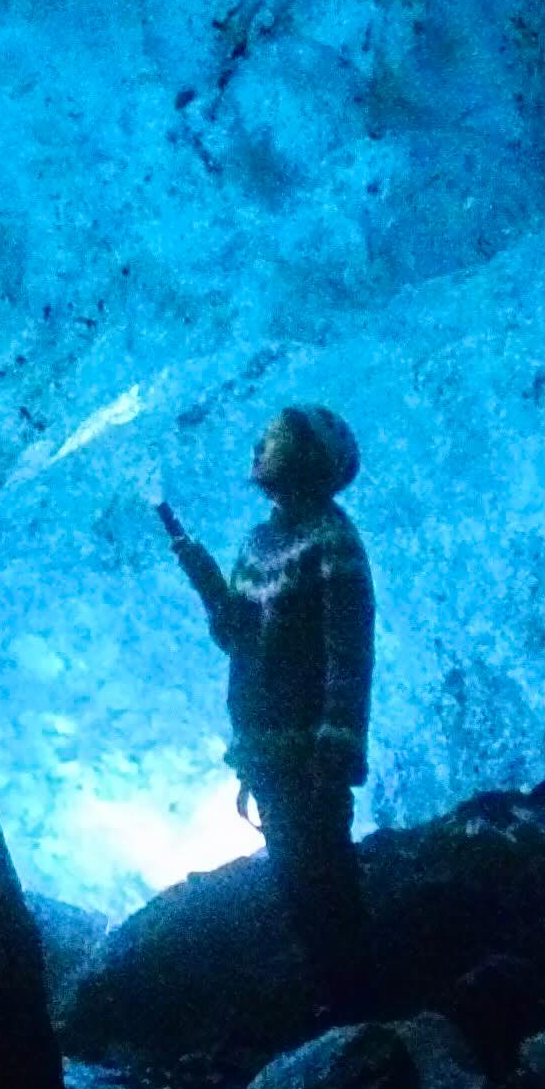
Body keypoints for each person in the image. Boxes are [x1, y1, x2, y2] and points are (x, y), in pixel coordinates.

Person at [158, 404, 376, 1017]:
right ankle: (336, 1001)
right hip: (263, 741)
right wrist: (198, 569)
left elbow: (349, 650)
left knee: (324, 872)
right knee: (294, 874)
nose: (258, 448)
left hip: (307, 745)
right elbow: (237, 634)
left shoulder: (332, 541)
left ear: (308, 458)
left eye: (273, 440)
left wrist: (337, 745)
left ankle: (359, 1007)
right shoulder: (259, 540)